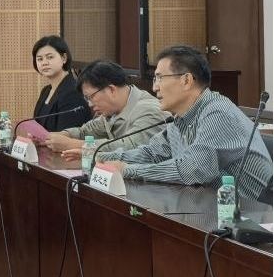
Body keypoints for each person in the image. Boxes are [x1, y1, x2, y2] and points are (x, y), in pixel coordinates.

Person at [98, 45, 272, 201]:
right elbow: (152, 153)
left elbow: (192, 169)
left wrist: (129, 170)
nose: (154, 87)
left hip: (256, 213)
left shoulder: (218, 112)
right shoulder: (180, 119)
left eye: (159, 78)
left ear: (186, 80)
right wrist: (99, 157)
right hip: (211, 206)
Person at [43, 60, 167, 158]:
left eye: (91, 97)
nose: (90, 104)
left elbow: (129, 147)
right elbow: (84, 132)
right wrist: (53, 137)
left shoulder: (150, 110)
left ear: (111, 89)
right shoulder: (113, 110)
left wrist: (71, 144)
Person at [31, 35, 92, 132]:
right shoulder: (46, 91)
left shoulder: (73, 92)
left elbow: (68, 133)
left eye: (50, 57)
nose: (44, 63)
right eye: (40, 59)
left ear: (64, 58)